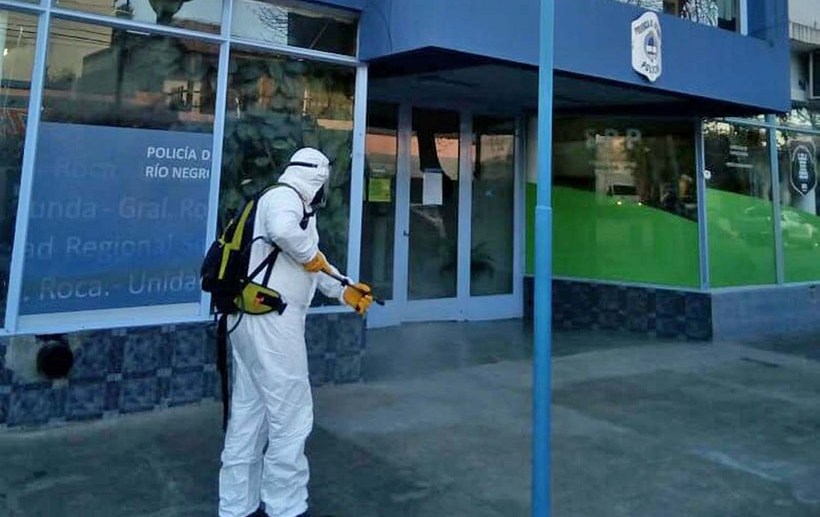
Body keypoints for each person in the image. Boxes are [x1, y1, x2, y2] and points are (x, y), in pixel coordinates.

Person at [219, 147, 374, 517]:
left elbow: (309, 259)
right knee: (291, 415)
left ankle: (236, 506)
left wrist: (344, 289)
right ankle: (285, 507)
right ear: (316, 176)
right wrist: (311, 256)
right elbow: (289, 237)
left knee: (249, 415)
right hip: (272, 324)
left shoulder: (280, 201)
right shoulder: (285, 198)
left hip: (251, 320)